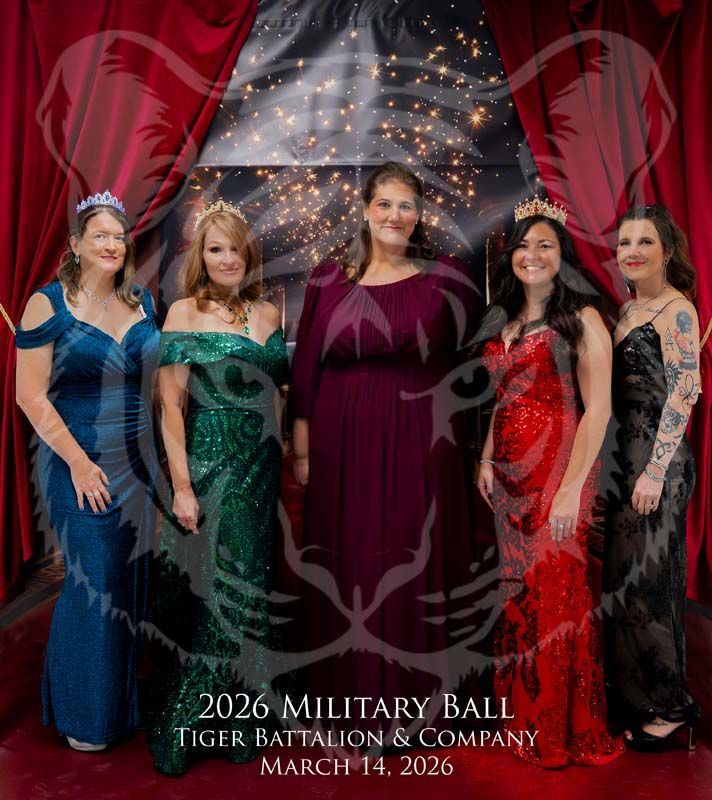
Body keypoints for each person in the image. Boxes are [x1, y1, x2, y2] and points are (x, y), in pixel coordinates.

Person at [290, 162, 481, 742]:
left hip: (423, 438)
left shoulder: (447, 277)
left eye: (406, 206)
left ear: (419, 215)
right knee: (351, 559)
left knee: (412, 554)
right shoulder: (328, 281)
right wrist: (304, 454)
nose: (395, 216)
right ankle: (348, 702)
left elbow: (471, 367)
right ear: (366, 210)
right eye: (385, 204)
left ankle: (418, 705)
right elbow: (306, 371)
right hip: (340, 439)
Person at [477, 198, 622, 767]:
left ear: (564, 256)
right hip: (509, 478)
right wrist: (487, 457)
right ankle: (521, 718)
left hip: (559, 471)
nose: (532, 255)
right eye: (523, 246)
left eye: (546, 245)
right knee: (520, 594)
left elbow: (599, 409)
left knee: (556, 595)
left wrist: (569, 489)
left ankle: (558, 729)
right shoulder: (506, 319)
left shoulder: (582, 318)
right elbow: (503, 395)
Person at [146, 199, 287, 775]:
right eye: (215, 249)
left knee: (251, 586)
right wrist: (182, 487)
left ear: (249, 254)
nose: (228, 258)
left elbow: (278, 394)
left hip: (263, 467)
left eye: (235, 248)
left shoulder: (268, 313)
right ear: (201, 257)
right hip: (212, 464)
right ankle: (186, 722)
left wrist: (284, 450)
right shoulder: (184, 312)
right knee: (228, 589)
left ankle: (238, 718)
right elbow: (170, 408)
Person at [15, 192, 159, 751]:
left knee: (127, 578)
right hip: (78, 460)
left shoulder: (143, 301)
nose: (112, 245)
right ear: (75, 244)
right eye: (100, 235)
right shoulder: (46, 303)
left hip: (138, 461)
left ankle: (119, 703)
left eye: (119, 237)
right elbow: (30, 396)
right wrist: (78, 463)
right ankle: (85, 715)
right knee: (93, 581)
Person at [603, 204, 701, 751]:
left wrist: (656, 472)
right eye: (624, 243)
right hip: (626, 461)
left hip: (657, 464)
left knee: (651, 585)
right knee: (625, 585)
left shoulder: (677, 310)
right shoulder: (627, 309)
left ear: (666, 251)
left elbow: (684, 394)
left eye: (645, 241)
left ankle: (671, 707)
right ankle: (637, 699)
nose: (632, 251)